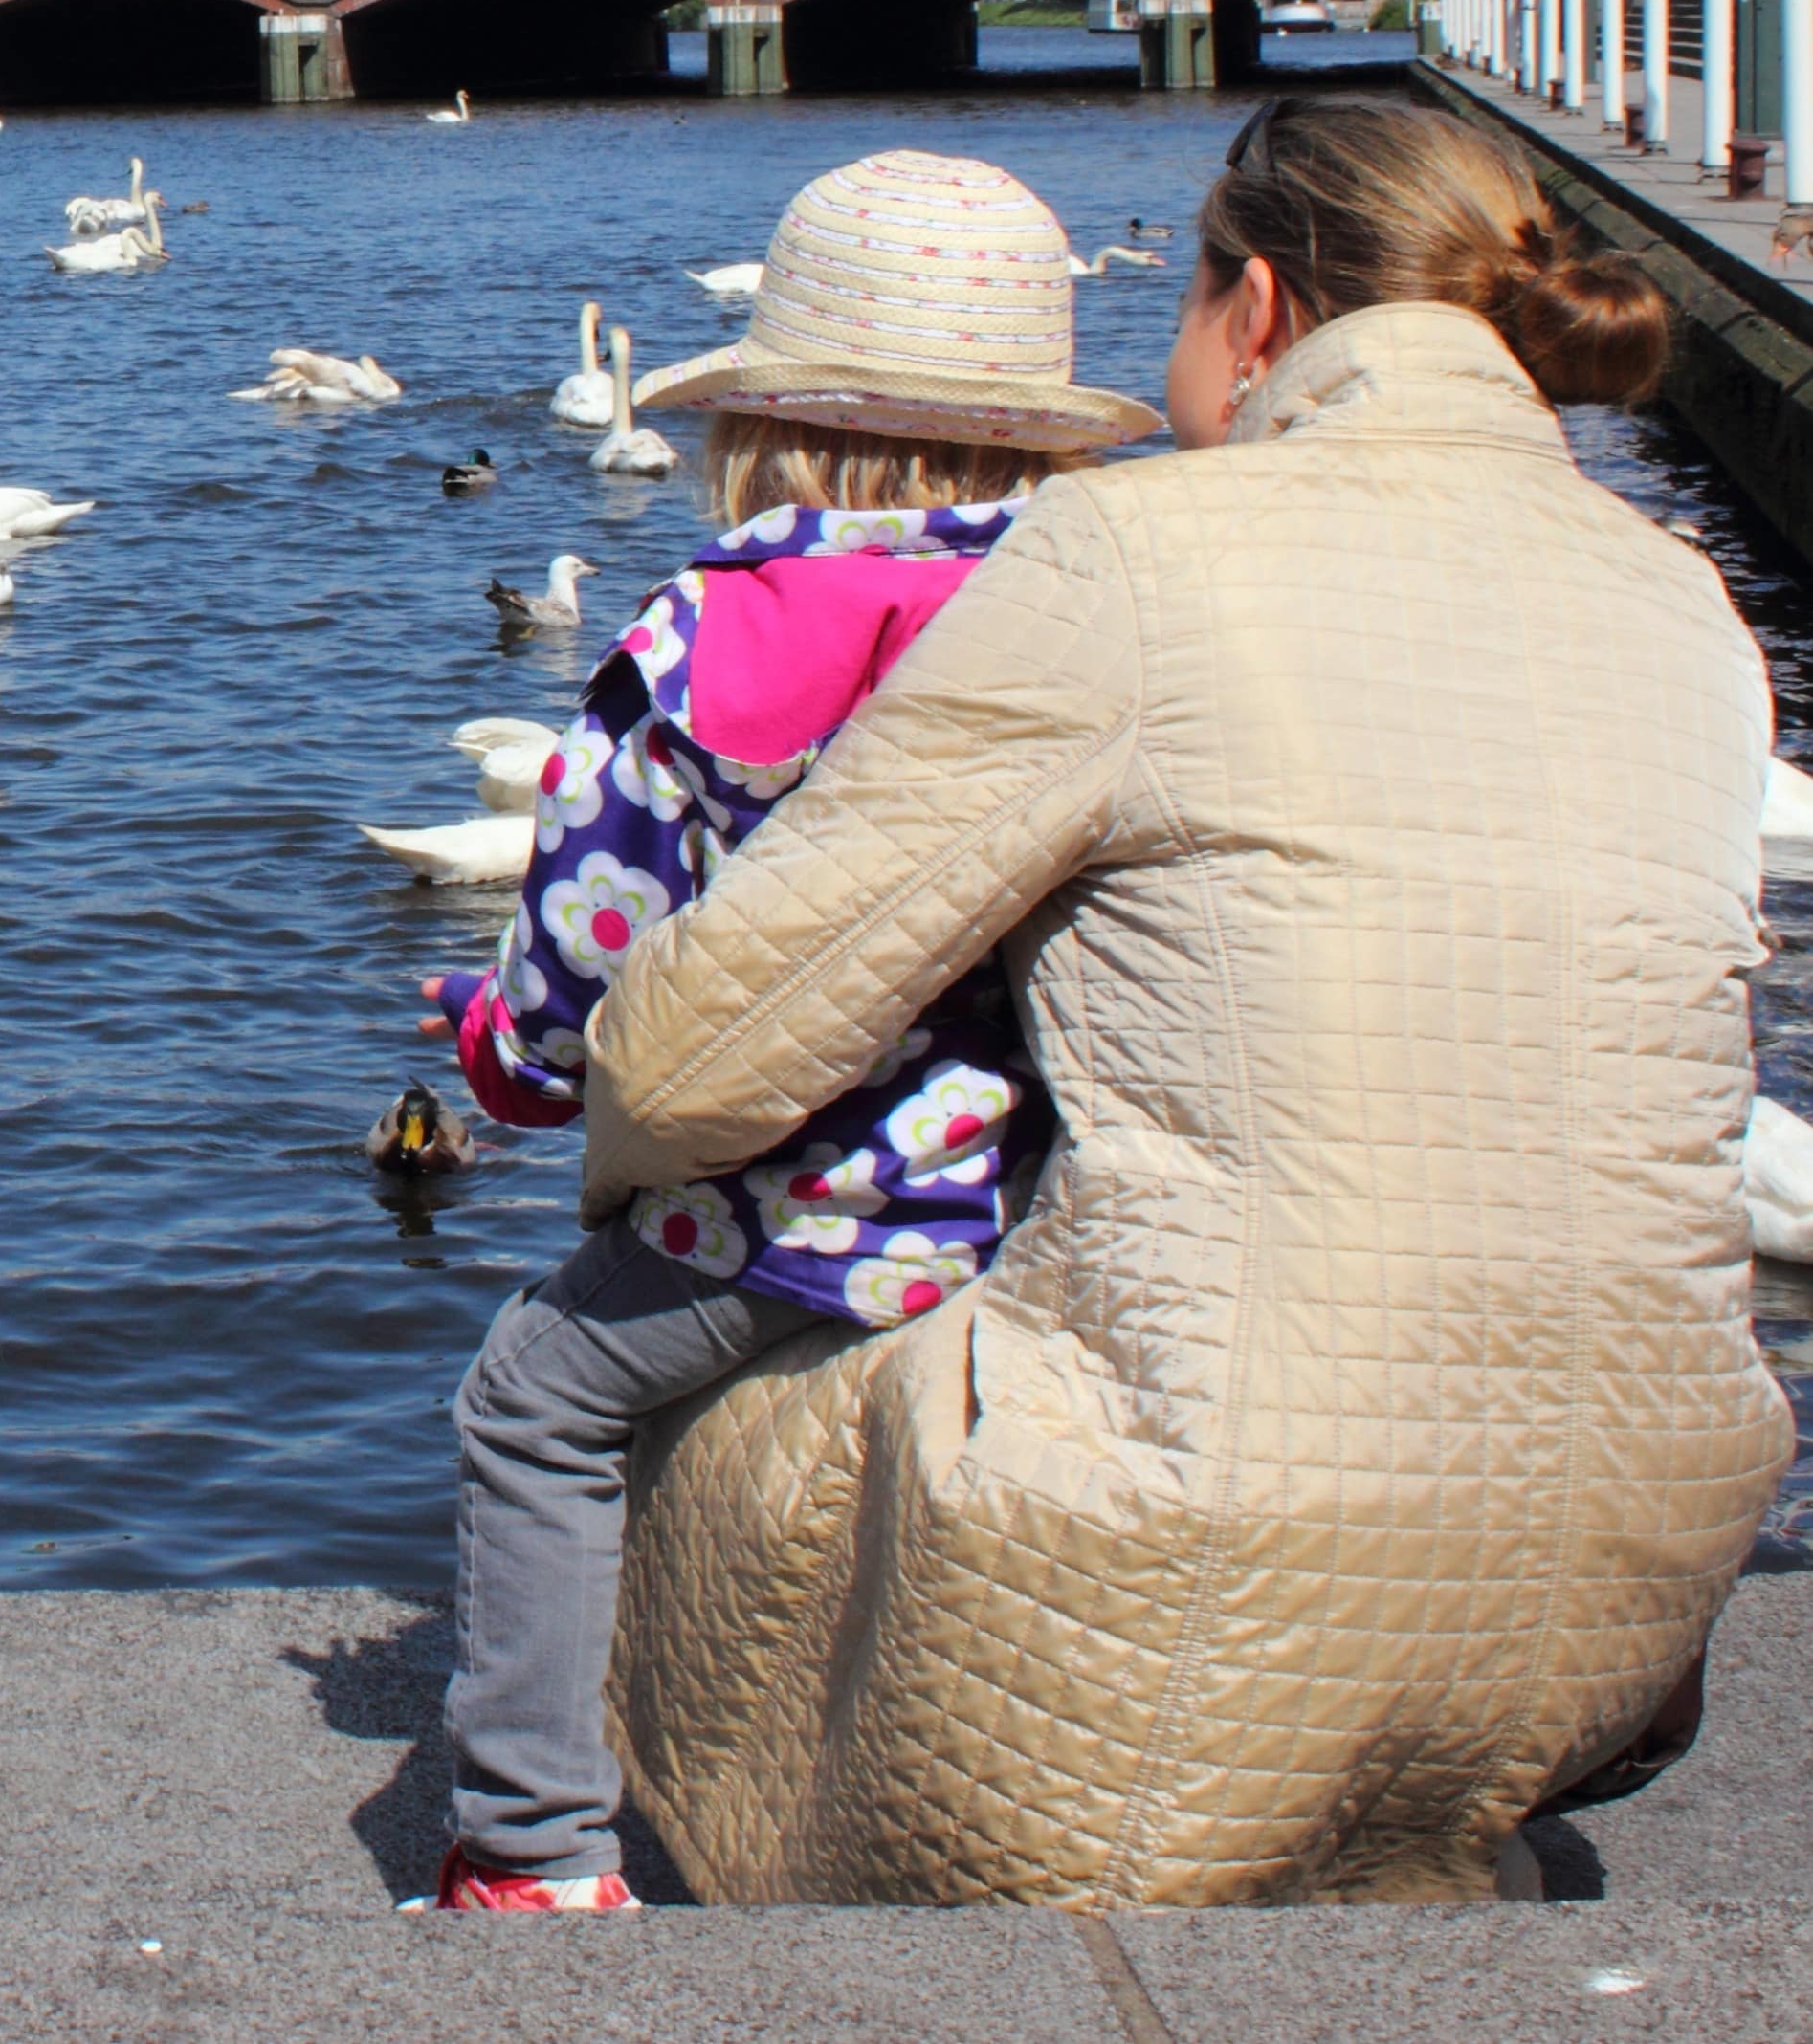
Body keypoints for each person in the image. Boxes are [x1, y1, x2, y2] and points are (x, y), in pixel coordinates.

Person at [590, 97, 1788, 1909]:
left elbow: (710, 1043)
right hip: (1650, 1550)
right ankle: (1412, 1806)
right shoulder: (1687, 601)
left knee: (671, 1364)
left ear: (1254, 314)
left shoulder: (1133, 558)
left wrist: (624, 1163)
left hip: (1207, 1563)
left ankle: (772, 1915)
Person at [411, 152, 1159, 1916]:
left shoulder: (703, 639)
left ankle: (529, 1843)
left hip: (802, 1220)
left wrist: (494, 1056)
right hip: (1047, 1198)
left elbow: (568, 988)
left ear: (765, 423)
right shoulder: (1112, 617)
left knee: (531, 1395)